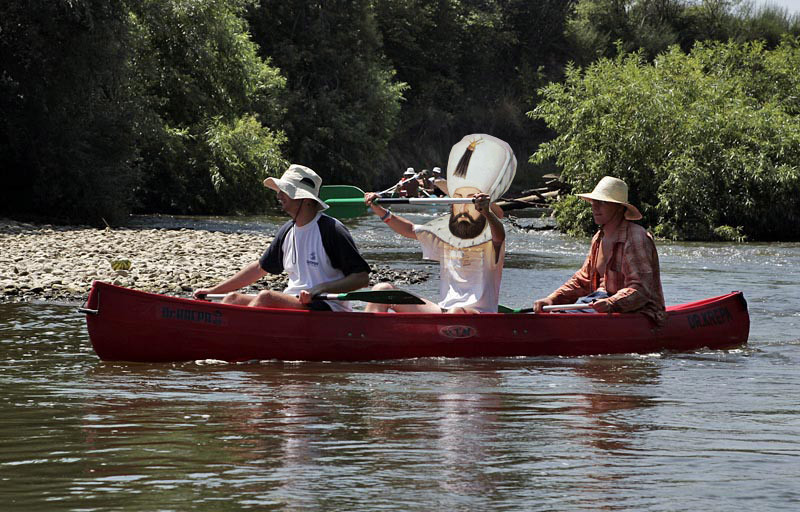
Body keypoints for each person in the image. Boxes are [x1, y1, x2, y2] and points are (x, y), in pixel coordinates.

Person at [364, 134, 516, 314]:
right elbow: (410, 229)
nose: (464, 208)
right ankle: (363, 340)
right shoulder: (446, 231)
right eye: (458, 201)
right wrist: (378, 208)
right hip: (443, 311)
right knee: (381, 291)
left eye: (470, 203)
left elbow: (499, 231)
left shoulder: (492, 234)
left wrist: (486, 211)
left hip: (479, 315)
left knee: (456, 312)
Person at [194, 164, 370, 311]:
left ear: (305, 199)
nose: (278, 195)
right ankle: (223, 338)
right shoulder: (287, 230)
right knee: (233, 299)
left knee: (266, 297)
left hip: (328, 307)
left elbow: (361, 278)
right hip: (294, 303)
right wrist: (212, 290)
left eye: (285, 191)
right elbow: (259, 268)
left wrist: (320, 289)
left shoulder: (332, 230)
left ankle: (235, 339)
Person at [532, 176, 666, 325]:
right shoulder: (598, 238)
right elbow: (583, 280)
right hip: (600, 301)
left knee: (566, 317)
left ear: (619, 207)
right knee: (553, 312)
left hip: (639, 312)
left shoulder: (635, 237)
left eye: (602, 202)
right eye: (594, 202)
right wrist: (553, 298)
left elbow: (641, 290)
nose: (595, 207)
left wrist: (611, 303)